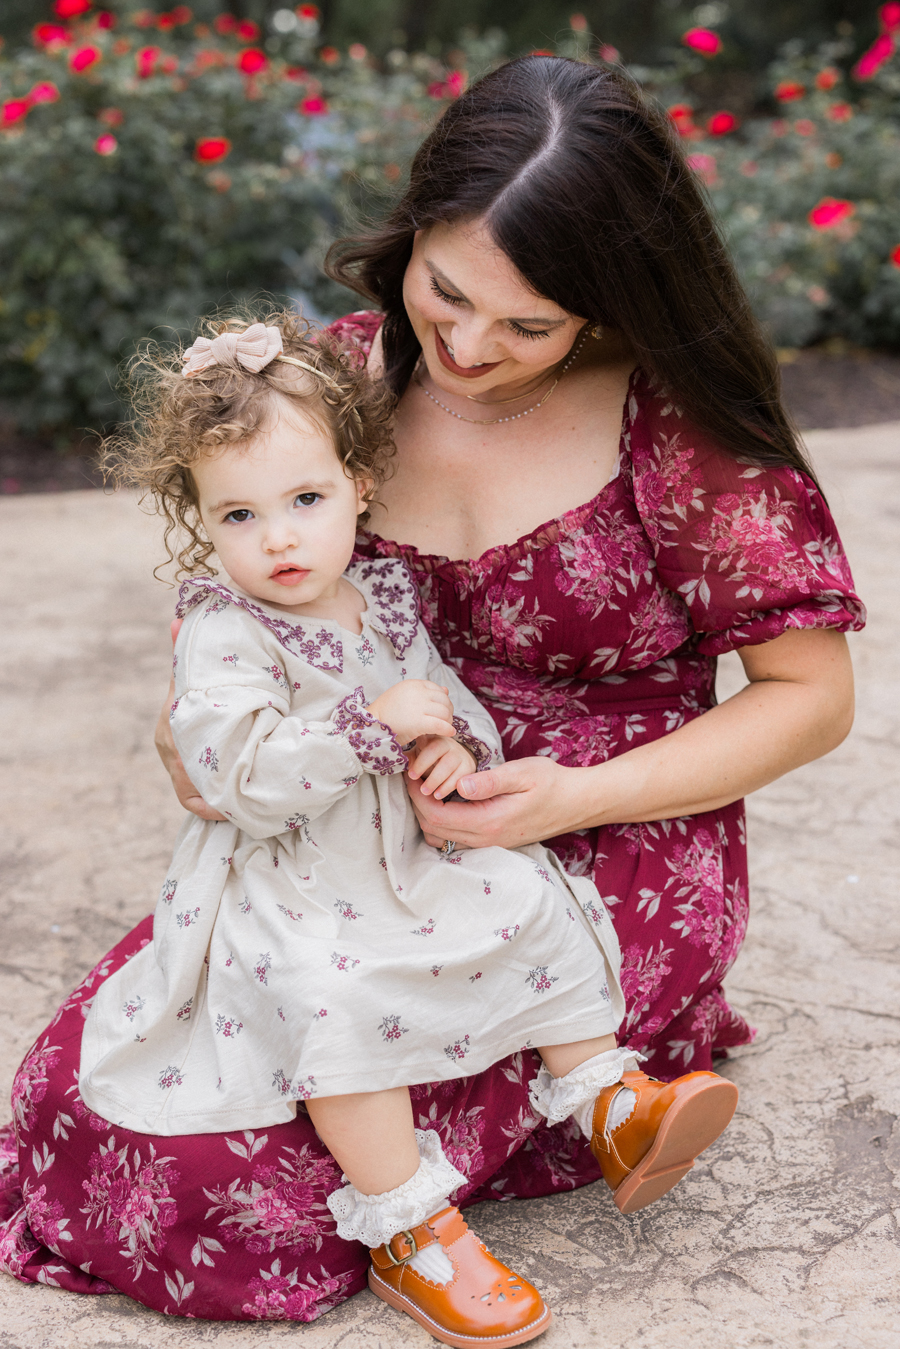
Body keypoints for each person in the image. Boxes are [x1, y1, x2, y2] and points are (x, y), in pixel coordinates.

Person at [1, 55, 861, 1327]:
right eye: (446, 291)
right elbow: (246, 584)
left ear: (610, 303)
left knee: (264, 1178)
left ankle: (589, 1103)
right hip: (349, 835)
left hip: (606, 831)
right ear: (412, 228)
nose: (465, 347)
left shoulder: (673, 419)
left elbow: (812, 695)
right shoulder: (338, 384)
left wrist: (571, 795)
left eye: (529, 324)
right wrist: (202, 731)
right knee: (110, 1095)